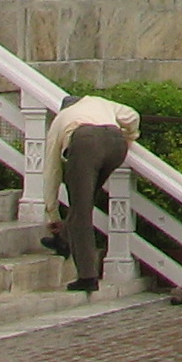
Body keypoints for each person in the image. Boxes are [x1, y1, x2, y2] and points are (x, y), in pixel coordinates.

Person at [37, 92, 139, 293]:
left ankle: (87, 276)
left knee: (81, 210)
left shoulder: (60, 120)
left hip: (86, 142)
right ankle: (65, 236)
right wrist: (131, 136)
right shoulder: (99, 102)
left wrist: (52, 213)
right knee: (86, 199)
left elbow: (52, 171)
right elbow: (132, 116)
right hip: (116, 142)